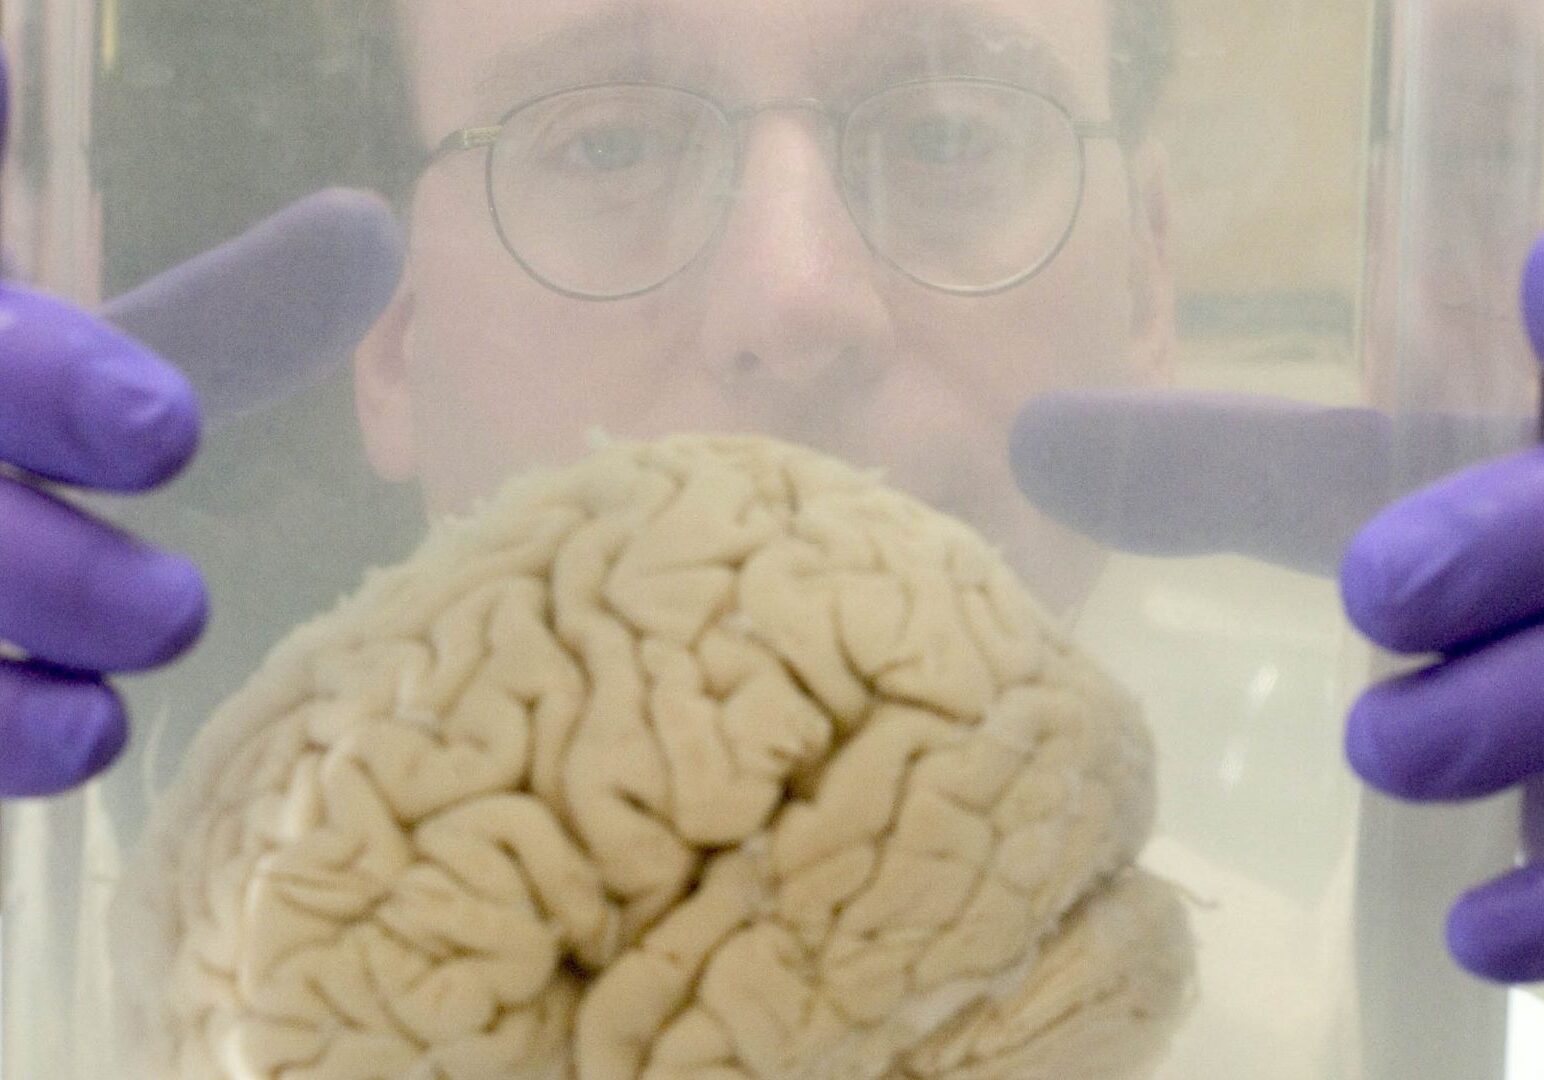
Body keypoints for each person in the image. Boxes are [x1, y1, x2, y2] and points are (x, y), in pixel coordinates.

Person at [1, 0, 1542, 1017]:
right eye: (606, 142)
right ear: (391, 335)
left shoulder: (1415, 1006)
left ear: (1148, 276)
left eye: (948, 133)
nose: (795, 300)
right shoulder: (87, 995)